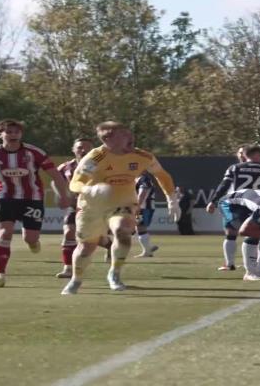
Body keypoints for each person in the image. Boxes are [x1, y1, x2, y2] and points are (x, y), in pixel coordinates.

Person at [61, 121, 180, 295]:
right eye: (124, 134)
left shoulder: (142, 156)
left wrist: (172, 199)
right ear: (108, 139)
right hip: (92, 207)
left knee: (123, 231)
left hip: (123, 203)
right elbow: (75, 183)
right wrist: (89, 190)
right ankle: (76, 279)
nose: (130, 137)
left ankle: (114, 273)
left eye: (130, 133)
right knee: (86, 247)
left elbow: (162, 175)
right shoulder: (96, 157)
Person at [0, 119, 70, 288]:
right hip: (5, 198)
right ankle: (0, 275)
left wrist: (63, 195)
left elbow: (55, 175)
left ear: (21, 134)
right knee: (5, 233)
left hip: (32, 199)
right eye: (9, 132)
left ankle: (33, 242)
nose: (13, 135)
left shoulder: (34, 152)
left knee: (30, 238)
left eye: (16, 132)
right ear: (0, 134)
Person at [206, 144, 260, 271]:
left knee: (231, 233)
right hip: (259, 203)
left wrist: (213, 201)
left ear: (245, 155)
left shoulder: (235, 168)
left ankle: (230, 264)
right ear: (257, 154)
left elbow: (224, 185)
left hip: (238, 203)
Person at [54, 137, 113, 278]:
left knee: (92, 238)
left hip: (96, 207)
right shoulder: (65, 167)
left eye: (87, 147)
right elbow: (55, 181)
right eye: (80, 147)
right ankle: (68, 269)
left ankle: (110, 245)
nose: (83, 150)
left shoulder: (102, 165)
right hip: (75, 206)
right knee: (69, 232)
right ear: (73, 150)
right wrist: (62, 195)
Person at [134, 172, 160, 256]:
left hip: (144, 207)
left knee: (140, 227)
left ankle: (147, 251)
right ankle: (148, 248)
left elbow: (143, 192)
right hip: (143, 207)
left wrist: (138, 206)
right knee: (139, 227)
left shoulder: (144, 179)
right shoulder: (137, 179)